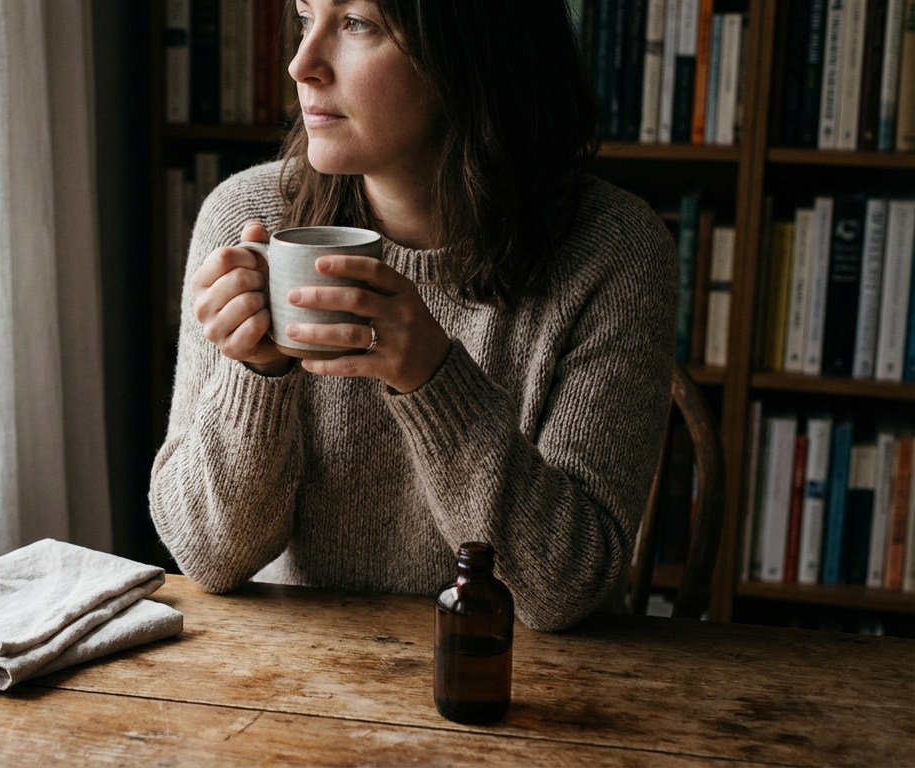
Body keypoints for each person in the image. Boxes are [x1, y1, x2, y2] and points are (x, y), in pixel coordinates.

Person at [149, 0, 676, 632]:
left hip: (519, 683)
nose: (300, 64)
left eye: (356, 24)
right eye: (304, 15)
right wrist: (257, 372)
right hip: (293, 684)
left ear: (470, 54)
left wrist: (433, 377)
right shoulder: (248, 218)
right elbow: (207, 556)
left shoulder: (614, 252)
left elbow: (562, 588)